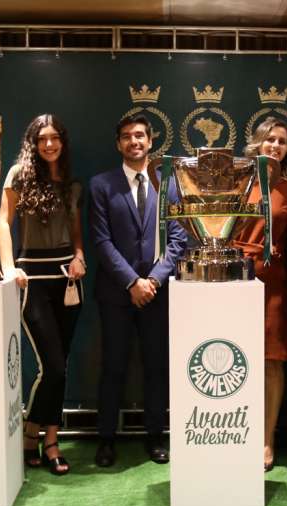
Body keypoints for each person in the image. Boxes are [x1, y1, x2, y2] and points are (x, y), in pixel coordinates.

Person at [88, 115, 186, 467]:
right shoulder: (101, 184)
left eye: (140, 135)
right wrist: (132, 282)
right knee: (113, 366)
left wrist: (154, 281)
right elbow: (100, 240)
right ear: (118, 144)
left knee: (156, 367)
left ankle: (155, 437)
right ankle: (106, 439)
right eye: (127, 136)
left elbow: (178, 239)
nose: (134, 141)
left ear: (150, 140)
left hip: (158, 294)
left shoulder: (169, 185)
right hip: (117, 293)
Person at [0, 114, 84, 475]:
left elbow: (77, 232)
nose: (49, 144)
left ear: (62, 142)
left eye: (55, 138)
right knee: (53, 366)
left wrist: (80, 256)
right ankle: (34, 435)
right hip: (32, 279)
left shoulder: (71, 183)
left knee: (60, 369)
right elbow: (3, 222)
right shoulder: (19, 174)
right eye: (42, 139)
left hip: (68, 281)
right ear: (33, 142)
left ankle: (47, 439)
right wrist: (8, 267)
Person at [231, 117, 287, 472]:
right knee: (234, 359)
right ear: (257, 143)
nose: (275, 146)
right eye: (269, 139)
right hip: (234, 280)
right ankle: (235, 433)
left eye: (281, 141)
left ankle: (266, 439)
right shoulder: (236, 180)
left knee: (272, 363)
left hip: (275, 283)